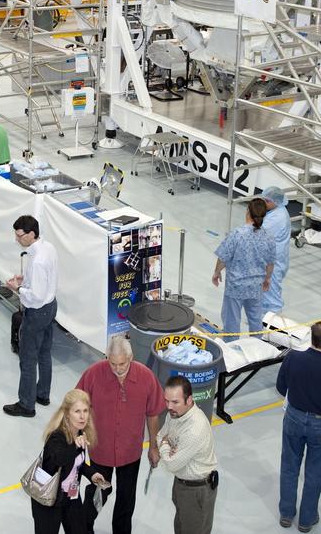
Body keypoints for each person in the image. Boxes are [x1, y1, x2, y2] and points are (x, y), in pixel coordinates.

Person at [75, 334, 165, 534]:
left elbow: (153, 414)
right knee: (99, 491)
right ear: (107, 357)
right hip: (100, 450)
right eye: (113, 363)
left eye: (122, 363)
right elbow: (76, 406)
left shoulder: (146, 377)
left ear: (131, 358)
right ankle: (82, 528)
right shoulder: (93, 374)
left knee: (126, 498)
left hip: (130, 453)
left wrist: (154, 447)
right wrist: (77, 435)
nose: (117, 368)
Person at [276, 320, 321, 532]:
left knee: (289, 466)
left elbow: (281, 387)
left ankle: (286, 514)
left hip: (293, 419)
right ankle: (307, 520)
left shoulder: (293, 358)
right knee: (315, 473)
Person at [31, 389, 109, 534]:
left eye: (85, 411)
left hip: (71, 495)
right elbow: (60, 459)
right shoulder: (56, 437)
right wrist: (75, 445)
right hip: (49, 499)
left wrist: (92, 474)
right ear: (67, 414)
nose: (82, 416)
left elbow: (80, 464)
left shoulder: (80, 433)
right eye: (77, 411)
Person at [4, 215, 58, 418]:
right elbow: (43, 282)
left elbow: (36, 295)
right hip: (50, 307)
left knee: (27, 359)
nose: (17, 239)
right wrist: (25, 280)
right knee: (44, 353)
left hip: (36, 313)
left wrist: (18, 288)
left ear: (31, 234)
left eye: (19, 236)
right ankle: (42, 394)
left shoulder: (36, 261)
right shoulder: (48, 248)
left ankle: (27, 404)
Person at [154, 376, 218, 534]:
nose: (169, 406)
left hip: (197, 491)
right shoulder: (174, 414)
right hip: (181, 484)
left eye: (175, 402)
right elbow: (159, 435)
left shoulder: (195, 429)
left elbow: (171, 464)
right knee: (180, 528)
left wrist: (165, 446)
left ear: (189, 400)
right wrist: (168, 447)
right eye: (166, 401)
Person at [212, 197, 276, 340]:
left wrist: (216, 272)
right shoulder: (269, 237)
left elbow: (223, 258)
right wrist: (267, 278)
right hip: (255, 287)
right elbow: (270, 264)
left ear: (247, 211)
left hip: (236, 287)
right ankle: (256, 348)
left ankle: (231, 347)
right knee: (255, 320)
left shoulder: (237, 234)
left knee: (232, 321)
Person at [260, 186, 292, 316]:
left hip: (273, 262)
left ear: (276, 201)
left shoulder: (277, 218)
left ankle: (273, 323)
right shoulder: (277, 210)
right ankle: (262, 316)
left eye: (267, 201)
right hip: (273, 259)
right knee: (265, 290)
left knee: (272, 295)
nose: (264, 203)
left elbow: (259, 235)